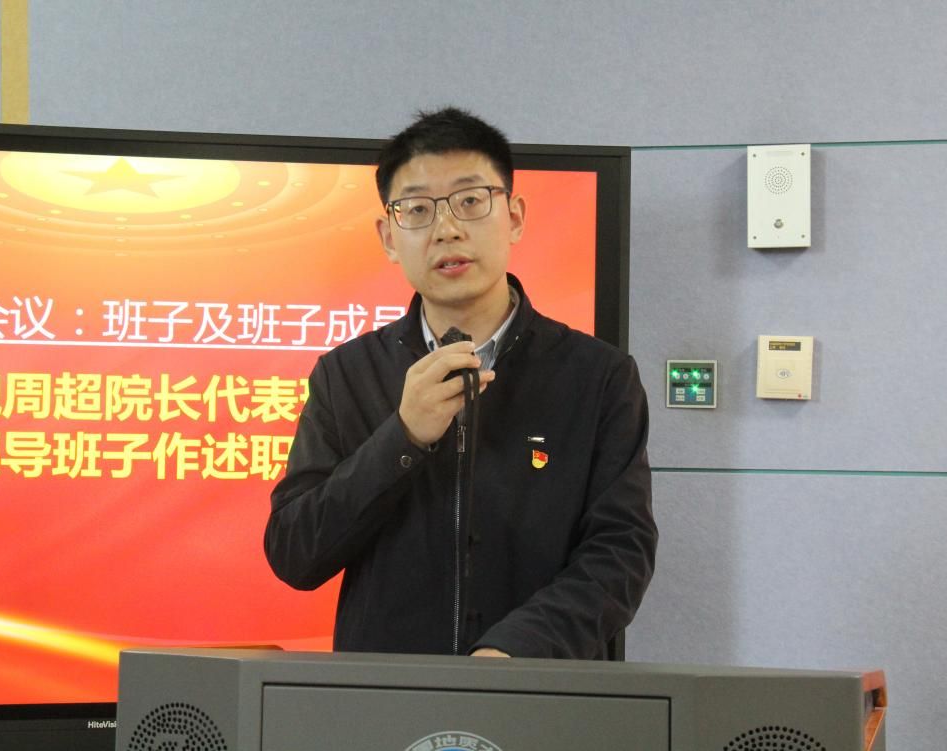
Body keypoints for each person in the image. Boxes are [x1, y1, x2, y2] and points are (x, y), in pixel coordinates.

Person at [264, 107, 656, 660]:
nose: (447, 229)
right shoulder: (345, 374)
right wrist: (402, 437)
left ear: (514, 217)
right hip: (384, 692)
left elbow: (621, 553)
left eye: (471, 201)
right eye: (417, 210)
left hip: (536, 687)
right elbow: (294, 553)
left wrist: (517, 649)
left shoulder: (599, 376)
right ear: (389, 237)